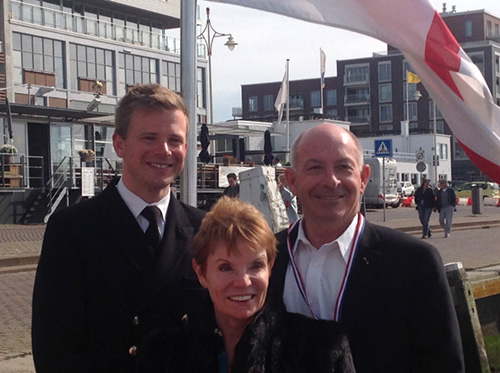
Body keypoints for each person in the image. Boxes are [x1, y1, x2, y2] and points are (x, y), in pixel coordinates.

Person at [32, 84, 207, 372]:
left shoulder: (203, 229)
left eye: (175, 140)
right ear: (120, 144)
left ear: (186, 149)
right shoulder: (72, 230)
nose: (164, 150)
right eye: (149, 137)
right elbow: (54, 349)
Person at [269, 123, 464, 372]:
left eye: (344, 167)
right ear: (292, 181)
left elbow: (442, 365)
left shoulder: (414, 262)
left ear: (363, 178)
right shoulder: (265, 258)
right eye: (315, 168)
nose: (331, 180)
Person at [137, 196, 355, 372]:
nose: (243, 281)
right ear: (201, 273)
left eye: (255, 266)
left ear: (271, 267)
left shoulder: (320, 350)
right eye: (225, 267)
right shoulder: (163, 355)